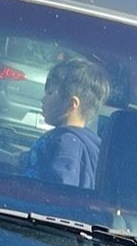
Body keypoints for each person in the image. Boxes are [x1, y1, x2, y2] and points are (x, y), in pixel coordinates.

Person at [22, 53, 108, 189]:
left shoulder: (67, 143)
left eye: (50, 93)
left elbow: (61, 191)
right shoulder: (85, 143)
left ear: (71, 103)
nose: (43, 99)